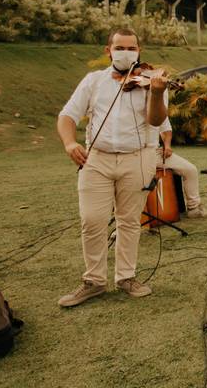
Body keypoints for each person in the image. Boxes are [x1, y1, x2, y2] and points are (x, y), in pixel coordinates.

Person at [56, 28, 168, 307]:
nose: (126, 52)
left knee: (129, 222)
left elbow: (156, 121)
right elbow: (67, 115)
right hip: (97, 159)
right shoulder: (93, 81)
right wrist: (70, 144)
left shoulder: (152, 80)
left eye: (132, 48)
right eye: (120, 47)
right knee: (92, 219)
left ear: (139, 51)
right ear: (109, 50)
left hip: (137, 156)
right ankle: (93, 281)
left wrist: (156, 93)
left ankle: (126, 277)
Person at [156, 118, 207, 219]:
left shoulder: (161, 103)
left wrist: (167, 146)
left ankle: (194, 209)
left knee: (190, 170)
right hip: (132, 154)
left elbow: (165, 127)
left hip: (154, 152)